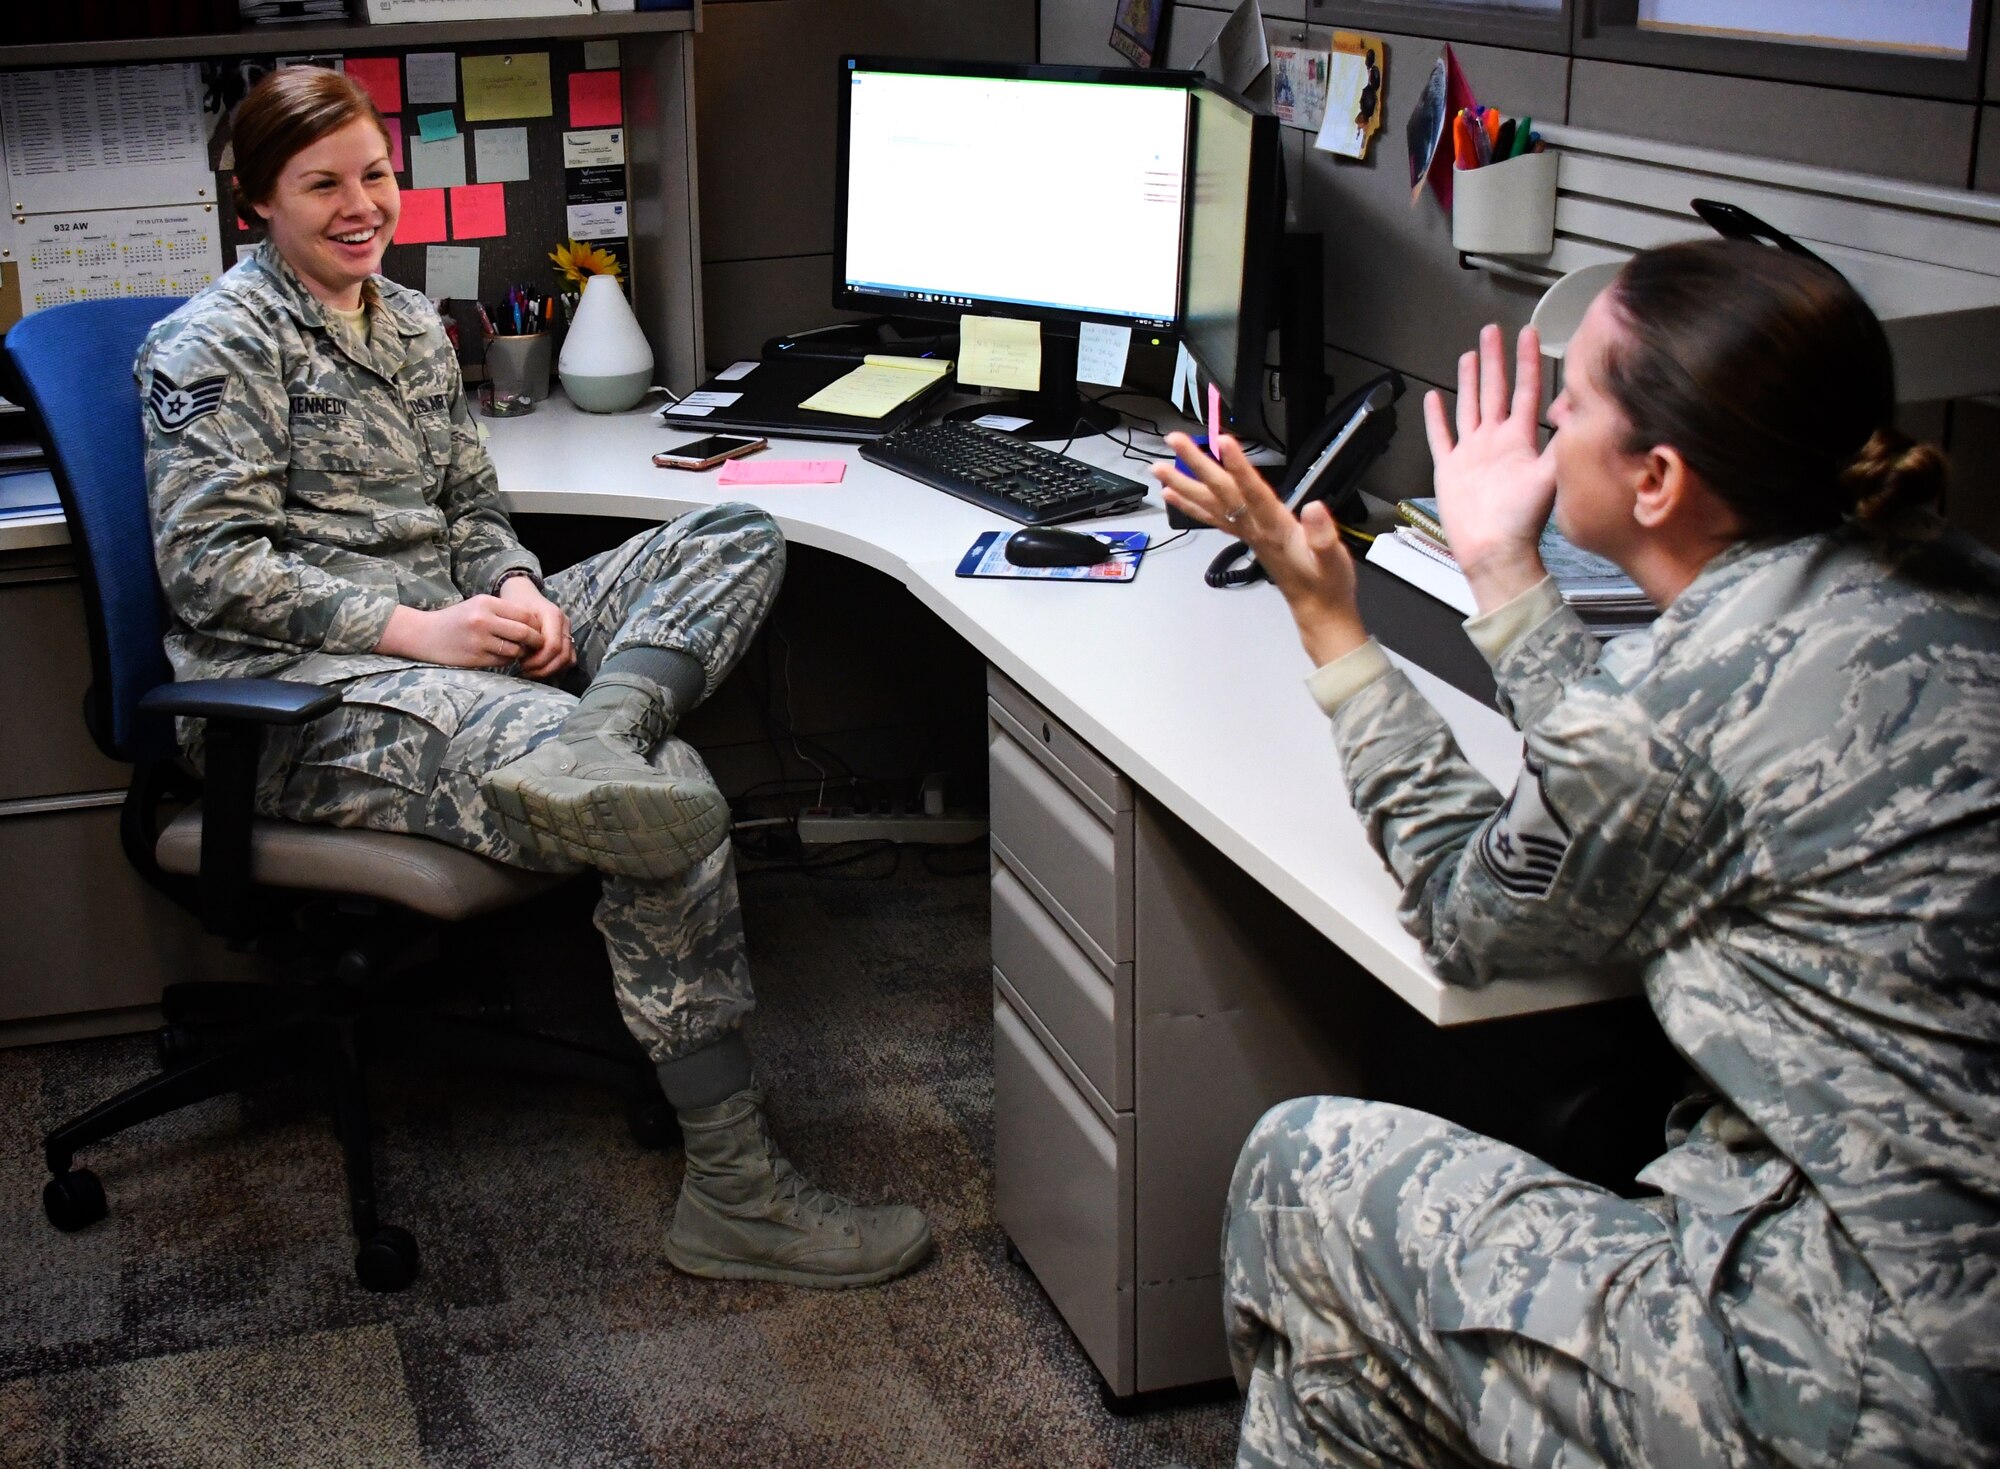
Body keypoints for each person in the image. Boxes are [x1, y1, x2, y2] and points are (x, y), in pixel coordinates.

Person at [1153, 240, 1999, 1466]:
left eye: (1569, 404)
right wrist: (1504, 573)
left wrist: (1330, 621)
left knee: (1302, 1170)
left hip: (1849, 1380)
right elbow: (1636, 771)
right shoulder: (1952, 585)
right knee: (1351, 1373)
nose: (1539, 424)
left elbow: (1463, 905)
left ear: (1653, 477)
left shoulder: (1666, 711)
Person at [136, 66, 932, 1289]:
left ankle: (600, 729)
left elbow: (470, 507)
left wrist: (510, 589)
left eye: (376, 175)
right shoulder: (213, 345)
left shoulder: (404, 321)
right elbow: (210, 571)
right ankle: (735, 1193)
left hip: (456, 641)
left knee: (733, 532)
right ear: (254, 203)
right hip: (306, 693)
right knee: (660, 807)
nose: (362, 206)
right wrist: (418, 629)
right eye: (322, 186)